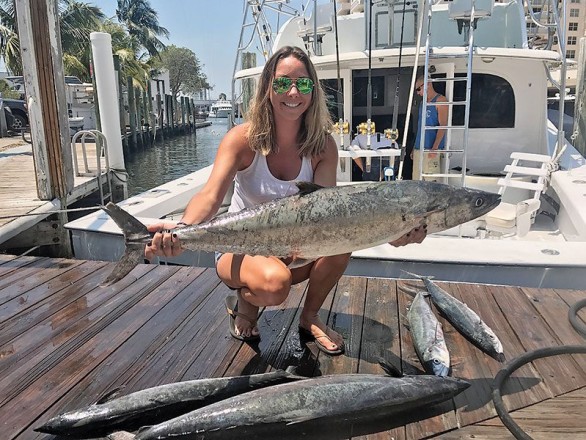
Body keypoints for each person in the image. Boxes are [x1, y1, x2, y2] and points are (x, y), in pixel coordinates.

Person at [145, 46, 427, 356]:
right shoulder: (243, 139)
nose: (292, 91)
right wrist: (183, 230)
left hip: (295, 249)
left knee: (341, 240)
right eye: (282, 83)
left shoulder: (323, 146)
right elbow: (210, 196)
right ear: (267, 87)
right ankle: (245, 304)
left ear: (313, 91)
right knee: (275, 286)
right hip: (238, 248)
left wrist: (391, 235)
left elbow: (325, 213)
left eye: (303, 84)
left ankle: (310, 317)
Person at [411, 74, 448, 180]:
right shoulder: (423, 103)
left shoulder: (441, 101)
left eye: (418, 89)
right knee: (417, 181)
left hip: (431, 150)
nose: (418, 93)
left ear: (427, 84)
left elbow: (443, 125)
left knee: (431, 184)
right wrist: (415, 147)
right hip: (419, 148)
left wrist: (434, 148)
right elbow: (420, 126)